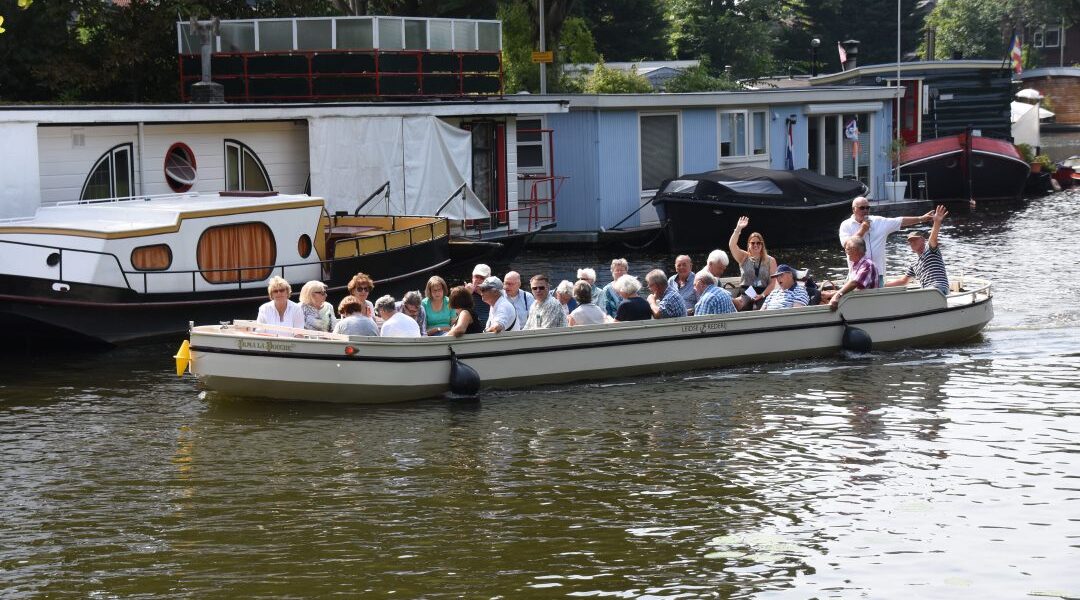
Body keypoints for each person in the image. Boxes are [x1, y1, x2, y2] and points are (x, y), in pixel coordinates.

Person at [839, 196, 934, 287]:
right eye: (862, 208)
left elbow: (900, 221)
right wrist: (862, 230)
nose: (865, 211)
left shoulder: (878, 221)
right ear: (853, 209)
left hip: (877, 274)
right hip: (856, 274)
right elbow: (847, 245)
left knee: (877, 302)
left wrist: (921, 219)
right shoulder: (846, 225)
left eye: (867, 208)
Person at [885, 205, 951, 295]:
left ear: (923, 240)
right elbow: (904, 281)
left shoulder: (931, 250)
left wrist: (937, 222)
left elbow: (933, 238)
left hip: (938, 289)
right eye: (910, 241)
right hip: (928, 292)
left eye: (915, 239)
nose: (912, 242)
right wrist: (882, 286)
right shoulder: (914, 264)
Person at [729, 216, 777, 310]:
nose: (755, 245)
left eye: (758, 243)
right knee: (736, 304)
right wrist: (738, 228)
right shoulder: (743, 257)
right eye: (753, 243)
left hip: (763, 293)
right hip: (746, 293)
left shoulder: (771, 260)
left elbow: (772, 283)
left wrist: (762, 295)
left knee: (764, 308)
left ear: (762, 245)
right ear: (749, 245)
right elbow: (732, 245)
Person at [825, 236, 879, 310]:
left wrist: (837, 295)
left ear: (855, 250)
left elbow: (854, 283)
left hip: (864, 304)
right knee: (823, 295)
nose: (846, 252)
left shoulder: (867, 265)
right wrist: (832, 293)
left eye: (847, 249)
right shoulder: (857, 264)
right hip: (856, 300)